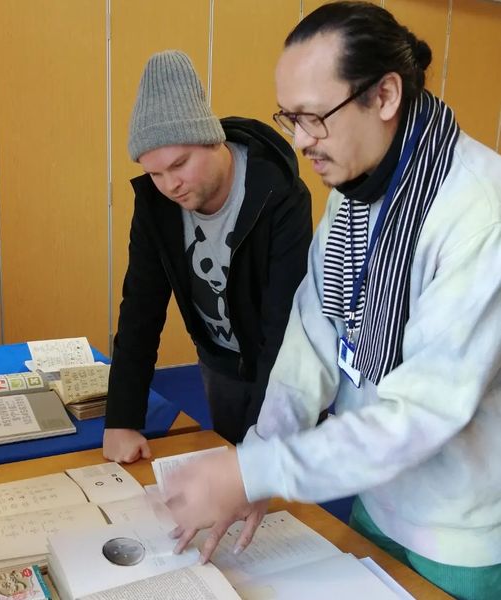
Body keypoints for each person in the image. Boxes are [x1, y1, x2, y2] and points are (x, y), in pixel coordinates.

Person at [164, 4, 501, 598]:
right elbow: (313, 340)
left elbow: (420, 414)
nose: (299, 142)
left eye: (314, 118)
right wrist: (259, 459)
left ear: (385, 95)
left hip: (460, 535)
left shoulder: (477, 213)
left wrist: (253, 472)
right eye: (290, 118)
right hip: (375, 499)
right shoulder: (355, 191)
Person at [102, 50, 312, 461]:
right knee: (228, 479)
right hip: (219, 362)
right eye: (155, 174)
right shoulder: (156, 203)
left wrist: (258, 453)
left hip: (283, 364)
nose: (169, 185)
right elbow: (140, 308)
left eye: (179, 164)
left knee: (280, 487)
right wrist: (122, 419)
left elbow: (283, 327)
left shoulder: (279, 195)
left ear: (212, 139)